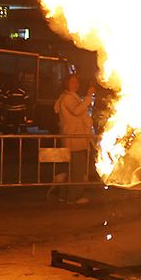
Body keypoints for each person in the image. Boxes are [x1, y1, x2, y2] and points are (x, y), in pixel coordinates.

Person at [52, 73, 95, 205]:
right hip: (74, 139)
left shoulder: (71, 97)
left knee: (72, 170)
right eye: (72, 82)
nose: (75, 84)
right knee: (77, 170)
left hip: (75, 138)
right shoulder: (67, 98)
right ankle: (73, 198)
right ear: (66, 83)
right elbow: (77, 111)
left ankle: (65, 195)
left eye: (77, 82)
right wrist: (89, 97)